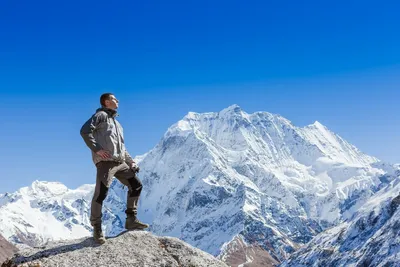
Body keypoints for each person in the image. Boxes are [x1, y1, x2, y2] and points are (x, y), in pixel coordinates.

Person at [80, 93, 148, 244]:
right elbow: (85, 131)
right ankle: (97, 228)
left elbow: (122, 148)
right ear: (106, 102)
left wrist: (131, 163)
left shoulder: (118, 124)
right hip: (106, 163)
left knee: (136, 185)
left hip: (120, 163)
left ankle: (131, 219)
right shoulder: (101, 116)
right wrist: (97, 149)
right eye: (114, 99)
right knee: (101, 193)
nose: (118, 101)